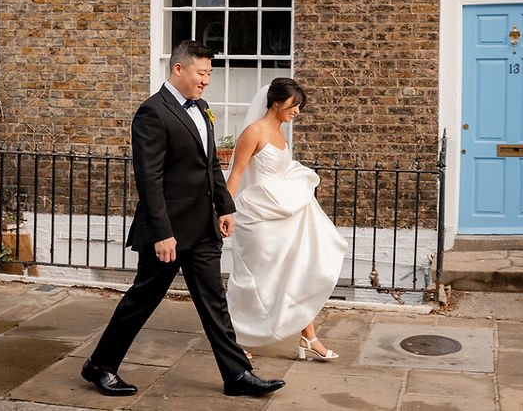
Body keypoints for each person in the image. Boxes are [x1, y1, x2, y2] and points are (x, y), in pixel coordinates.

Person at [81, 40, 284, 398]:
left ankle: (237, 375)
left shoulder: (202, 107)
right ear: (179, 69)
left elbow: (209, 166)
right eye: (201, 73)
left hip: (203, 227)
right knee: (143, 299)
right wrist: (162, 233)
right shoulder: (152, 113)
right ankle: (100, 366)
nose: (206, 80)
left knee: (214, 301)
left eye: (209, 73)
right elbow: (149, 178)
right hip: (169, 232)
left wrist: (225, 207)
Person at [224, 78, 347, 360]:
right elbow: (236, 175)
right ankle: (232, 340)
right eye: (294, 106)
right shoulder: (252, 132)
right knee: (251, 280)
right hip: (258, 218)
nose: (297, 112)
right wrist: (224, 211)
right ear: (276, 102)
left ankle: (309, 337)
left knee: (300, 271)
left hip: (284, 213)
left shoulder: (280, 133)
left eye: (299, 107)